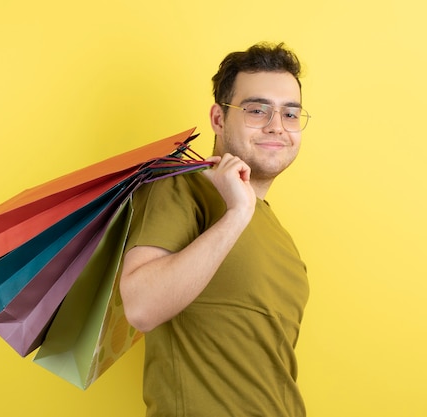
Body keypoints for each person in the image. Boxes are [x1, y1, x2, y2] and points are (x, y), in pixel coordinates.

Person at [120, 42, 310, 417]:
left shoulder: (280, 237)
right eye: (257, 110)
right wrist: (237, 214)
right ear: (219, 119)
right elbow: (140, 306)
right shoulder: (181, 186)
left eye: (291, 114)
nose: (277, 126)